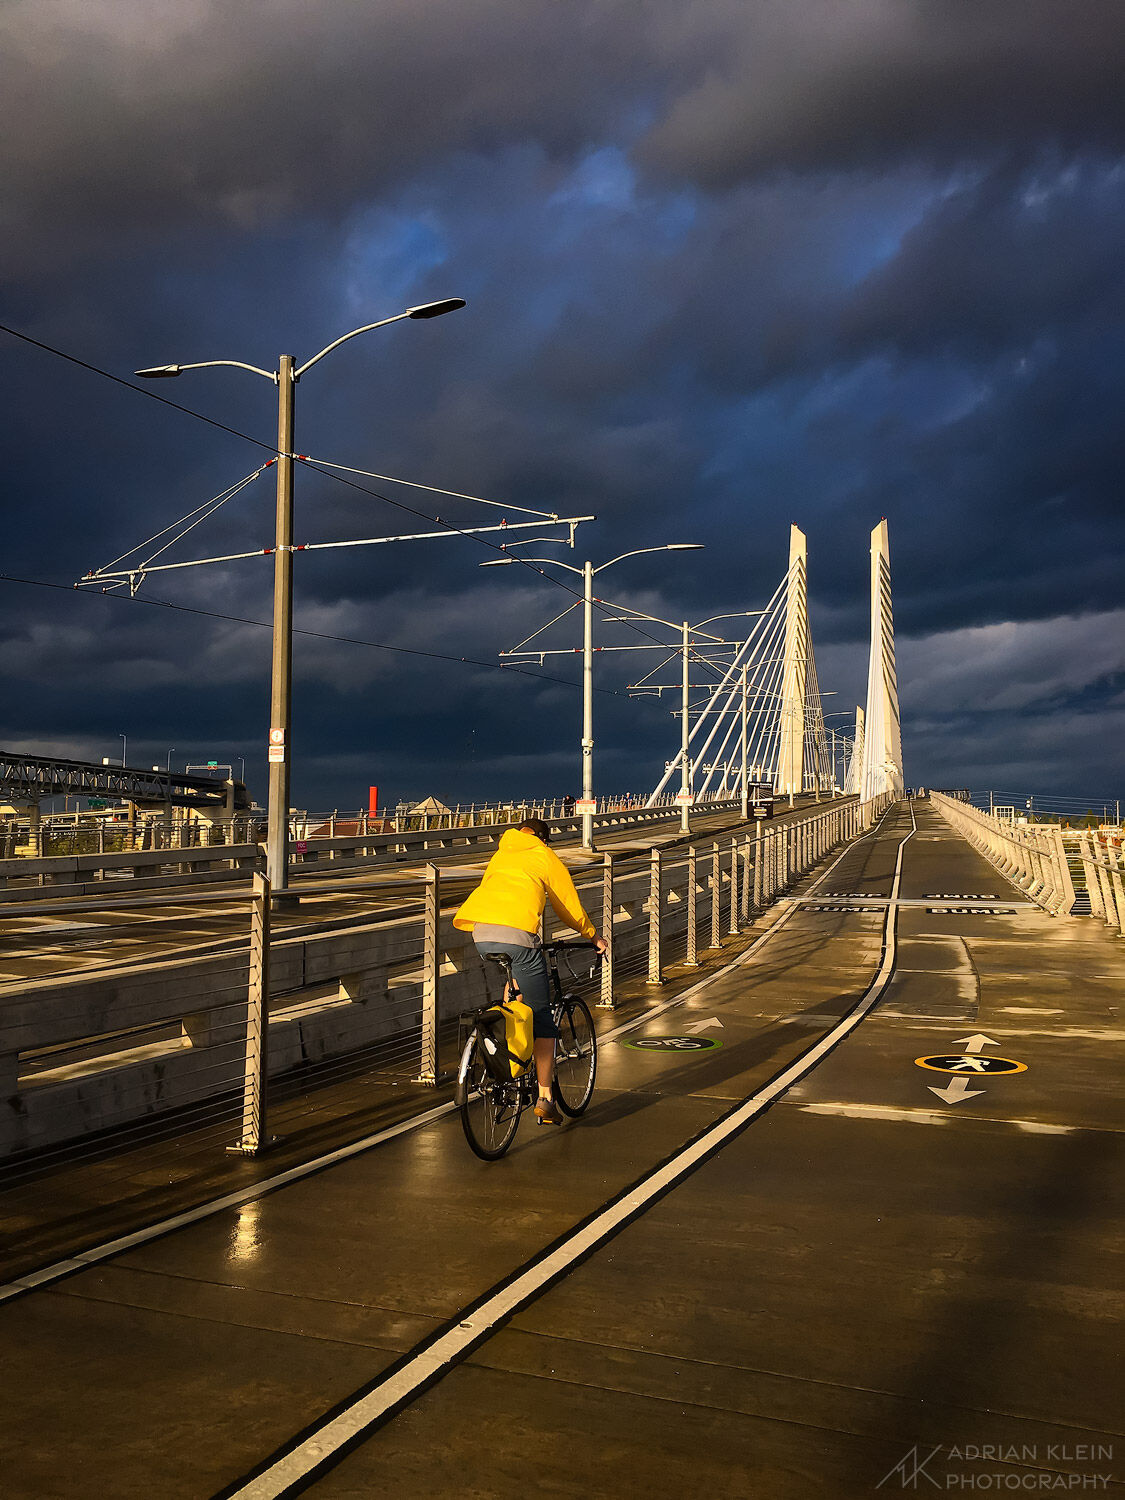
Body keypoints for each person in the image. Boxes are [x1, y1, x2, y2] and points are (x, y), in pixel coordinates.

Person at [454, 817, 608, 1125]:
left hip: (482, 934)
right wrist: (592, 935)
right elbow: (567, 905)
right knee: (542, 1020)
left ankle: (511, 1057)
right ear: (543, 838)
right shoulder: (543, 854)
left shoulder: (502, 853)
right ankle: (546, 1097)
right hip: (517, 936)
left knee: (515, 998)